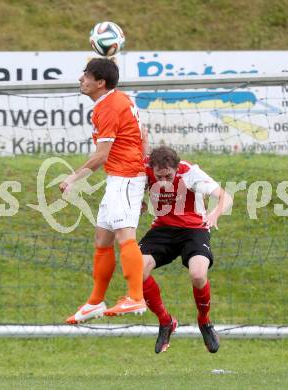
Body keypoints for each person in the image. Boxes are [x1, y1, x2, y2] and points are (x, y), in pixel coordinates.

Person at [60, 58, 147, 324]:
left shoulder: (109, 106)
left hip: (126, 176)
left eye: (86, 75)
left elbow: (102, 155)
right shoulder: (117, 100)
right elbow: (142, 136)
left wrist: (73, 178)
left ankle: (135, 297)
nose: (80, 79)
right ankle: (95, 303)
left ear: (100, 82)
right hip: (121, 177)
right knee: (102, 239)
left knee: (124, 235)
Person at [140, 145, 233, 353]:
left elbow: (226, 197)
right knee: (136, 269)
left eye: (168, 176)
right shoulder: (144, 170)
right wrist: (138, 202)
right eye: (159, 176)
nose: (163, 181)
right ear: (152, 169)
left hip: (193, 229)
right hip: (163, 228)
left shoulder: (190, 173)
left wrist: (214, 215)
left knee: (198, 274)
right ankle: (166, 322)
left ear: (176, 169)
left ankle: (204, 321)